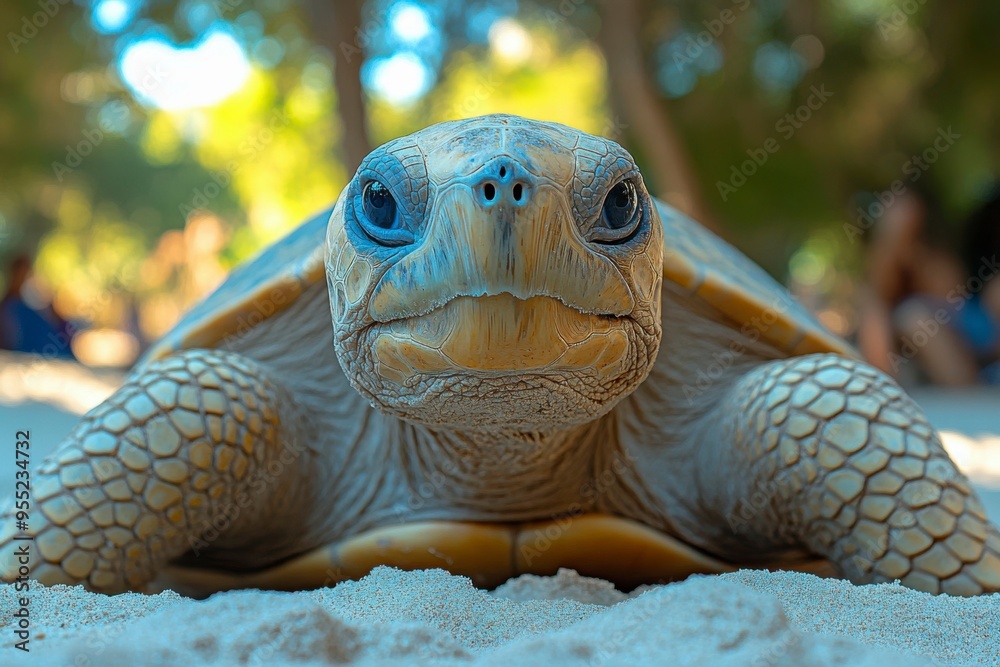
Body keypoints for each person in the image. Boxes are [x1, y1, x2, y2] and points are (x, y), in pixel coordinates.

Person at [857, 187, 1000, 385]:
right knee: (913, 318)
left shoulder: (937, 256)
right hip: (952, 345)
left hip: (974, 327)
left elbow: (953, 292)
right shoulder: (883, 292)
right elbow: (876, 312)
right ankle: (969, 393)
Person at [0, 254, 76, 358]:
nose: (23, 277)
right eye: (20, 273)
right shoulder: (9, 306)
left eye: (26, 273)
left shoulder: (33, 302)